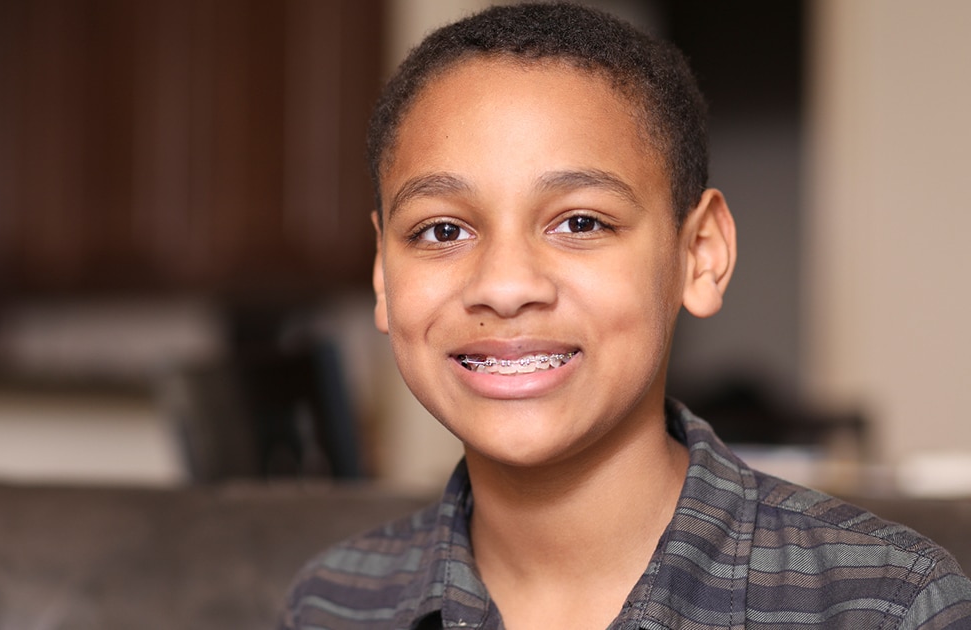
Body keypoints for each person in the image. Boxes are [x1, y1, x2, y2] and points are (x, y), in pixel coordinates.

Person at [279, 3, 971, 628]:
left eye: (580, 221)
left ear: (699, 255)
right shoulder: (335, 603)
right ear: (382, 273)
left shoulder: (887, 605)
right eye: (442, 231)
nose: (505, 285)